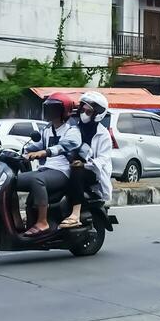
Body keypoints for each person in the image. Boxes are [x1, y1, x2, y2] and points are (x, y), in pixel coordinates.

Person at [17, 94, 81, 236]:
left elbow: (63, 146)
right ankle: (16, 220)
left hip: (62, 171)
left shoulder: (72, 130)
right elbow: (35, 146)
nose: (49, 111)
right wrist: (20, 153)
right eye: (48, 108)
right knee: (11, 181)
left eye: (53, 108)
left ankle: (42, 222)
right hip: (45, 170)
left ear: (64, 111)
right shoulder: (47, 129)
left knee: (36, 180)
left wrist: (43, 153)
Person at [58, 91, 114, 229]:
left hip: (93, 172)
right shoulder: (74, 128)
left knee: (77, 170)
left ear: (97, 114)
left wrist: (84, 164)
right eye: (82, 110)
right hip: (70, 166)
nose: (84, 114)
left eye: (88, 111)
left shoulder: (103, 135)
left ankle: (75, 214)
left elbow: (103, 160)